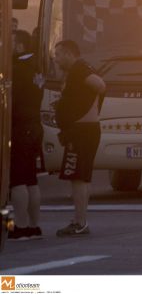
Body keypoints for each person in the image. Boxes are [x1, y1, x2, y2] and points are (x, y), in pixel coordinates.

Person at [53, 40, 106, 237]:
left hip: (82, 131)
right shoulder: (78, 69)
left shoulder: (79, 68)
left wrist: (87, 111)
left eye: (58, 54)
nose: (56, 59)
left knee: (78, 177)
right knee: (79, 177)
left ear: (68, 54)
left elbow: (100, 85)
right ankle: (79, 220)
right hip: (81, 130)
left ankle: (80, 222)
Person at [9, 29, 44, 241]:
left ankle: (19, 227)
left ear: (20, 45)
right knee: (31, 180)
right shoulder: (36, 68)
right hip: (34, 126)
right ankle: (33, 226)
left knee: (18, 180)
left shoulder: (17, 69)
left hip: (19, 127)